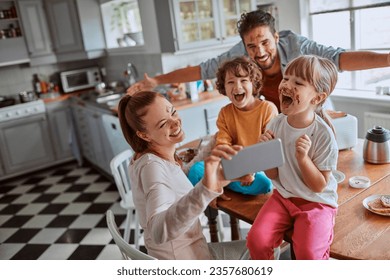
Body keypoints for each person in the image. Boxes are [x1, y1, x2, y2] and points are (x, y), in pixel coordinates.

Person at [127, 10, 390, 110]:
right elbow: (202, 70)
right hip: (276, 119)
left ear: (276, 36)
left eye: (264, 42)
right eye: (251, 46)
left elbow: (340, 58)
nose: (259, 51)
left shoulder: (298, 46)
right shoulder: (237, 54)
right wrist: (157, 80)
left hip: (313, 114)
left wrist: (387, 59)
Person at [117, 90, 248, 260]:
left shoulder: (149, 157)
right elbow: (158, 231)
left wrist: (212, 160)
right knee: (264, 247)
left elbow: (175, 180)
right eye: (163, 123)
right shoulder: (152, 167)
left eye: (172, 112)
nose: (175, 122)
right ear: (144, 135)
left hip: (193, 252)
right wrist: (206, 189)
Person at [246, 55, 339, 260]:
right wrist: (266, 153)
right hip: (283, 197)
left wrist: (303, 158)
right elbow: (273, 174)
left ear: (317, 98)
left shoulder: (323, 135)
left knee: (307, 253)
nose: (287, 85)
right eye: (286, 78)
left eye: (298, 82)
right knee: (256, 240)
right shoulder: (275, 125)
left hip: (316, 203)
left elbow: (319, 186)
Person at [186, 56, 278, 195]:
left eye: (243, 80)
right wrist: (235, 171)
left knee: (264, 184)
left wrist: (249, 170)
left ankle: (216, 185)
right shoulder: (225, 113)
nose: (237, 86)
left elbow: (268, 151)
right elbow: (223, 145)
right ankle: (217, 186)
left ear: (253, 84)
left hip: (258, 169)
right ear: (224, 88)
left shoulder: (267, 109)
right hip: (231, 166)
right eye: (230, 82)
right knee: (195, 171)